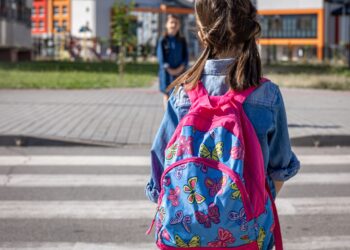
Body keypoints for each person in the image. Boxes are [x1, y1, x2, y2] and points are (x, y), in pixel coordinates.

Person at [146, 1, 300, 249]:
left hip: (184, 235)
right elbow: (280, 168)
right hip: (248, 234)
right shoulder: (267, 94)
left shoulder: (182, 94)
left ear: (200, 32)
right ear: (251, 30)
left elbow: (159, 169)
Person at [157, 14, 189, 109]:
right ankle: (168, 115)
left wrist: (180, 68)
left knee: (179, 94)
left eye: (176, 23)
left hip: (180, 73)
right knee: (167, 94)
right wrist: (169, 70)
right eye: (171, 22)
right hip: (167, 74)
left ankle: (177, 116)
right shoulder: (163, 40)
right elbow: (161, 57)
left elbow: (185, 57)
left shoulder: (182, 40)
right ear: (167, 24)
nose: (174, 25)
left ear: (179, 25)